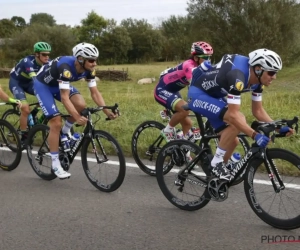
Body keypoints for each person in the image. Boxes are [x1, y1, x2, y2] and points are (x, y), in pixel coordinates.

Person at [187, 48, 294, 181]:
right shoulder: (238, 76)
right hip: (198, 94)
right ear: (258, 69)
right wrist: (254, 135)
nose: (274, 77)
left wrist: (277, 126)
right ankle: (216, 163)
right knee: (238, 119)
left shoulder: (258, 82)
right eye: (271, 72)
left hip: (214, 96)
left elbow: (258, 111)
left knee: (233, 141)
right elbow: (233, 115)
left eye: (275, 73)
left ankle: (214, 177)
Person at [33, 42, 117, 179]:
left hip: (59, 84)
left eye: (95, 60)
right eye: (91, 60)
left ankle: (65, 133)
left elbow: (95, 93)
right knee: (55, 122)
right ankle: (55, 164)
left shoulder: (90, 70)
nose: (94, 63)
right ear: (80, 59)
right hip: (43, 86)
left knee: (81, 105)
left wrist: (106, 111)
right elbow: (65, 98)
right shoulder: (66, 67)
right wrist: (77, 117)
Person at [154, 41, 213, 141]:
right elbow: (195, 87)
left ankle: (185, 152)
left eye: (210, 57)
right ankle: (167, 130)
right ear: (196, 58)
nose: (208, 60)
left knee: (188, 124)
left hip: (173, 91)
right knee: (185, 109)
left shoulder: (202, 67)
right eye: (205, 57)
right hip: (162, 90)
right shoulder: (189, 66)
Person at [9, 42, 51, 147]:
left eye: (48, 54)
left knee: (47, 95)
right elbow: (36, 80)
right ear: (37, 54)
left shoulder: (48, 62)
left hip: (28, 83)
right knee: (25, 109)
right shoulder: (28, 62)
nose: (47, 57)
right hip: (17, 82)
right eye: (44, 54)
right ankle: (24, 136)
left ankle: (34, 112)